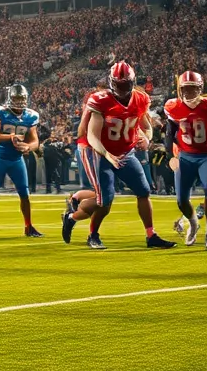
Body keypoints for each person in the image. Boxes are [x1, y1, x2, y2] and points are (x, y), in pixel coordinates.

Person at [62, 62, 176, 250]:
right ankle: (90, 233)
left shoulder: (140, 99)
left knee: (144, 191)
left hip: (125, 150)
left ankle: (151, 235)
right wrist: (107, 154)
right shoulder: (100, 100)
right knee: (104, 200)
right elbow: (91, 135)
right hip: (97, 151)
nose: (122, 89)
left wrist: (147, 140)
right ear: (111, 83)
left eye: (125, 85)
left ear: (132, 82)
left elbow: (146, 127)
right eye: (118, 85)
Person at [164, 71, 207, 249]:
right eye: (185, 89)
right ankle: (194, 223)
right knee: (181, 201)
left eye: (192, 89)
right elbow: (169, 135)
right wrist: (170, 156)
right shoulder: (173, 106)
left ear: (200, 88)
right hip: (185, 157)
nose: (188, 93)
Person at [0, 83, 42, 237]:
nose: (20, 101)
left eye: (22, 98)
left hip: (16, 159)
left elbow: (35, 141)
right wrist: (11, 137)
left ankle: (28, 226)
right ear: (9, 98)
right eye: (16, 98)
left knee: (24, 193)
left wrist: (28, 147)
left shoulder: (31, 116)